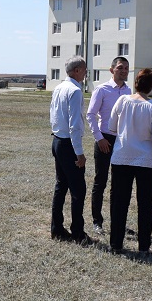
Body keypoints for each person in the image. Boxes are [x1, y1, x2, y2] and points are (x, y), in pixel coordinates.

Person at [107, 68, 152, 253]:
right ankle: (144, 246)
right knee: (145, 204)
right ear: (151, 86)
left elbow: (112, 127)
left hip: (121, 158)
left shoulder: (122, 101)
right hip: (146, 161)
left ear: (135, 83)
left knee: (119, 203)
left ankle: (116, 244)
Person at [50, 56, 94, 245]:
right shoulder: (75, 91)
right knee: (78, 190)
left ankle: (57, 228)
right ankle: (77, 232)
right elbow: (74, 125)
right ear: (76, 71)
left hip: (57, 140)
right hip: (68, 144)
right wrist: (79, 153)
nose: (85, 73)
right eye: (84, 70)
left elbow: (53, 115)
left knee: (61, 186)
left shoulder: (59, 88)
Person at [85, 56, 131, 235]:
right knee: (101, 181)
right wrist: (99, 138)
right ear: (112, 70)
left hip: (121, 141)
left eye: (126, 68)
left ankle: (118, 222)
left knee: (119, 184)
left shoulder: (128, 91)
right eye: (120, 67)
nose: (124, 71)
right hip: (104, 139)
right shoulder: (102, 89)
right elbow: (90, 115)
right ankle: (97, 221)